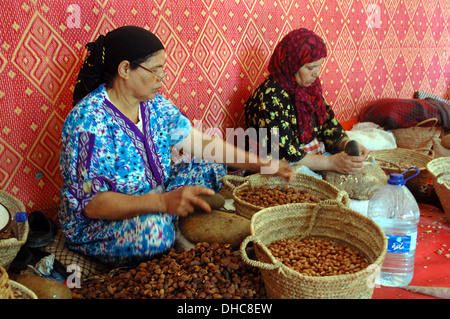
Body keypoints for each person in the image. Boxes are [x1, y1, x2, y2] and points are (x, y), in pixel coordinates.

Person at [60, 26, 294, 266]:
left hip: (156, 191)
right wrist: (162, 203)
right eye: (154, 70)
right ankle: (168, 221)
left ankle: (171, 215)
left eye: (162, 69)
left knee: (209, 164)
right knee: (153, 233)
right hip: (101, 222)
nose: (161, 78)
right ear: (125, 69)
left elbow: (202, 143)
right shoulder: (86, 123)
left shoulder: (154, 105)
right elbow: (92, 205)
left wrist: (264, 164)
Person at [244, 28, 369, 176]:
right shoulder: (268, 98)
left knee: (364, 169)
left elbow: (327, 123)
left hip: (314, 158)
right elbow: (284, 153)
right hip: (280, 167)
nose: (316, 74)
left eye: (319, 66)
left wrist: (347, 144)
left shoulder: (309, 89)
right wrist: (332, 162)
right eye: (311, 67)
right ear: (292, 65)